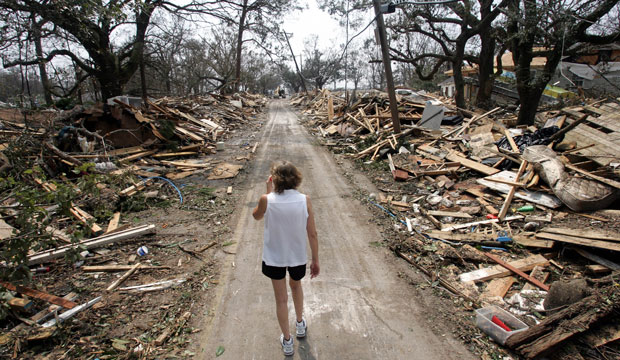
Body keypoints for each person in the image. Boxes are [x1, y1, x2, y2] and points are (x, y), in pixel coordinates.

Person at [252, 161, 319, 356]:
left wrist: (266, 192)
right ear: (296, 178)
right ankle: (299, 323)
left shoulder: (267, 199)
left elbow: (256, 216)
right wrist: (315, 259)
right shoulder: (304, 200)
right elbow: (312, 233)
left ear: (274, 180)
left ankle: (287, 341)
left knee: (281, 299)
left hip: (274, 258)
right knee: (296, 287)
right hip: (297, 256)